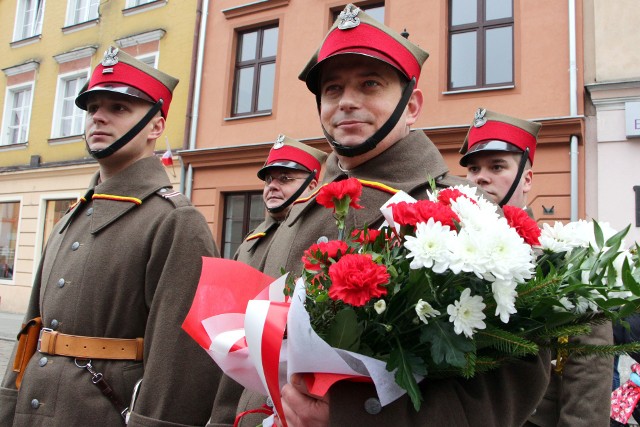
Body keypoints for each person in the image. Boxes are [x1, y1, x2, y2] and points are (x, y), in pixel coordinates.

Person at [208, 5, 551, 426]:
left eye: (370, 84)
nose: (347, 102)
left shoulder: (467, 211)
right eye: (332, 89)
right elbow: (249, 348)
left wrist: (358, 417)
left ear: (412, 105)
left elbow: (511, 386)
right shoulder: (298, 214)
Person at [0, 47, 223, 426]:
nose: (98, 117)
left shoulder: (174, 221)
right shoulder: (72, 216)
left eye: (119, 108)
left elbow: (180, 361)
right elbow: (31, 329)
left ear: (155, 126)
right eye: (92, 109)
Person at [460, 108, 614, 427]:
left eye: (497, 166)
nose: (480, 177)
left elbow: (589, 370)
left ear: (527, 178)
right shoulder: (455, 251)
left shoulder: (563, 259)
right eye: (473, 168)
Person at [234, 134, 327, 270]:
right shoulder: (250, 241)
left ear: (311, 186)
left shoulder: (323, 231)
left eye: (284, 178)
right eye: (269, 180)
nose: (272, 186)